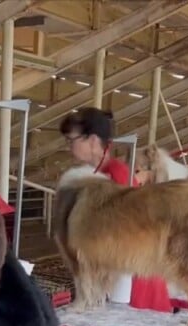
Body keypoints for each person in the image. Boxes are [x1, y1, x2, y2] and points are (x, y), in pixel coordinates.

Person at [58, 107, 172, 312]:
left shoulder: (117, 175)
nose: (68, 147)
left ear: (92, 141)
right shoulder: (94, 176)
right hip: (117, 279)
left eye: (71, 140)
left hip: (133, 282)